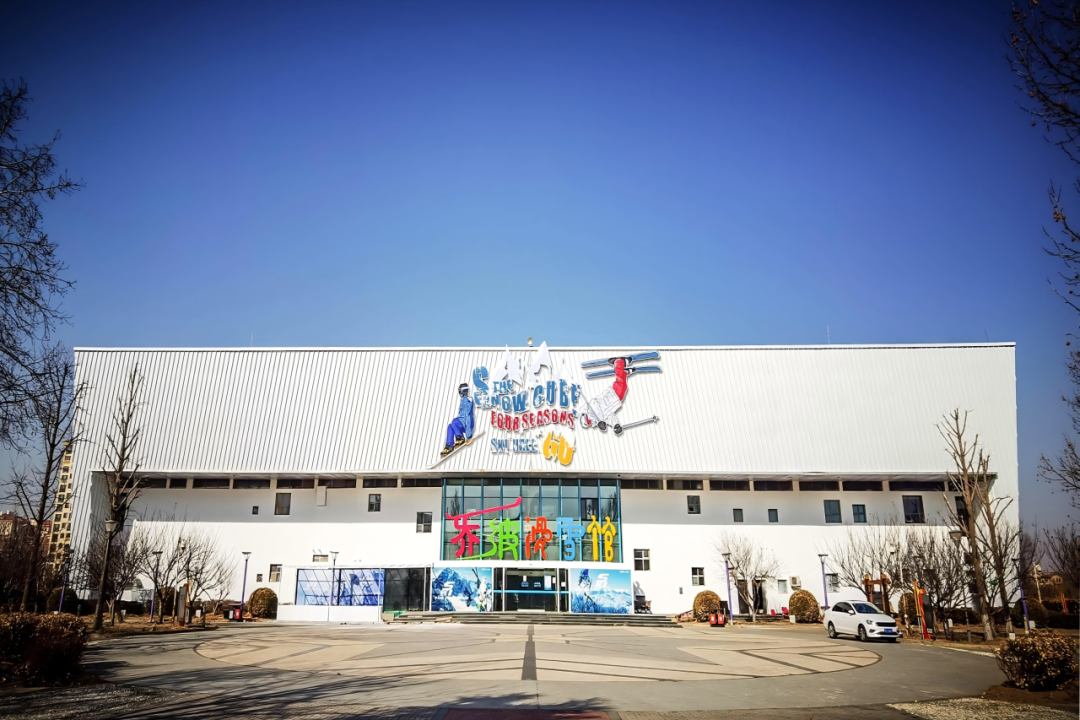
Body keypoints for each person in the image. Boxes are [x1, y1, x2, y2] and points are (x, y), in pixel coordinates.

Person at [580, 358, 628, 434]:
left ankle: (618, 362)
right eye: (588, 423)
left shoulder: (591, 409)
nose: (589, 421)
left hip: (611, 395)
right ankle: (624, 371)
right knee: (624, 386)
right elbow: (610, 417)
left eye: (587, 419)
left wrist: (600, 421)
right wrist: (616, 425)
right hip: (617, 400)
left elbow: (595, 405)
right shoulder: (598, 420)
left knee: (620, 384)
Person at [441, 383, 475, 457]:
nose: (459, 393)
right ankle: (448, 446)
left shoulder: (467, 401)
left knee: (454, 422)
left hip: (466, 424)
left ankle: (460, 438)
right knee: (450, 426)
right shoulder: (463, 401)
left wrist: (469, 436)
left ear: (463, 391)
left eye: (460, 391)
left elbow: (469, 416)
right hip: (461, 424)